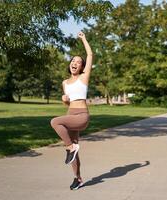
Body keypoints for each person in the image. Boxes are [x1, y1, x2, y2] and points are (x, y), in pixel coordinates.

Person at [50, 31, 93, 190]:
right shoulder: (65, 83)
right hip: (71, 115)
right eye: (73, 60)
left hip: (81, 116)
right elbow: (68, 106)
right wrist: (65, 101)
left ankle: (70, 147)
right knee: (74, 151)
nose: (75, 63)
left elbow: (90, 55)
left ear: (81, 67)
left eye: (78, 62)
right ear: (70, 64)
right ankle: (78, 178)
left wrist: (84, 39)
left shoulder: (84, 77)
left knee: (54, 121)